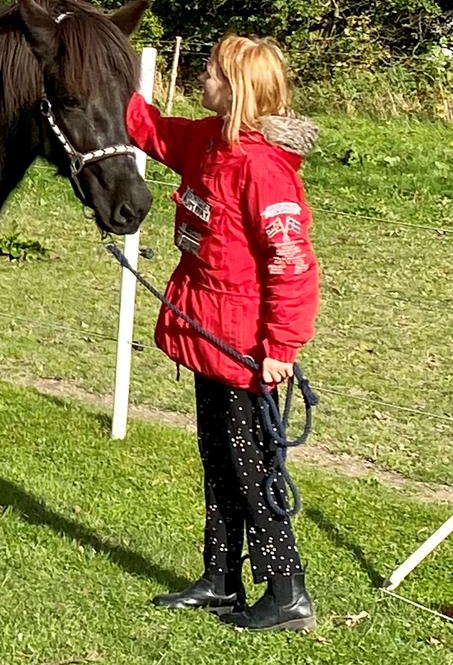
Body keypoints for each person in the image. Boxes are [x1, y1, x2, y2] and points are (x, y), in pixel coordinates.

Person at [126, 34, 320, 632]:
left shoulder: (262, 169)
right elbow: (155, 133)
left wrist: (280, 349)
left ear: (234, 89)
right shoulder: (210, 143)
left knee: (251, 466)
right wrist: (107, 77)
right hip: (208, 332)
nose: (201, 79)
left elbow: (291, 262)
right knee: (218, 457)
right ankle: (222, 577)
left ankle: (286, 591)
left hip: (246, 346)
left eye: (209, 72)